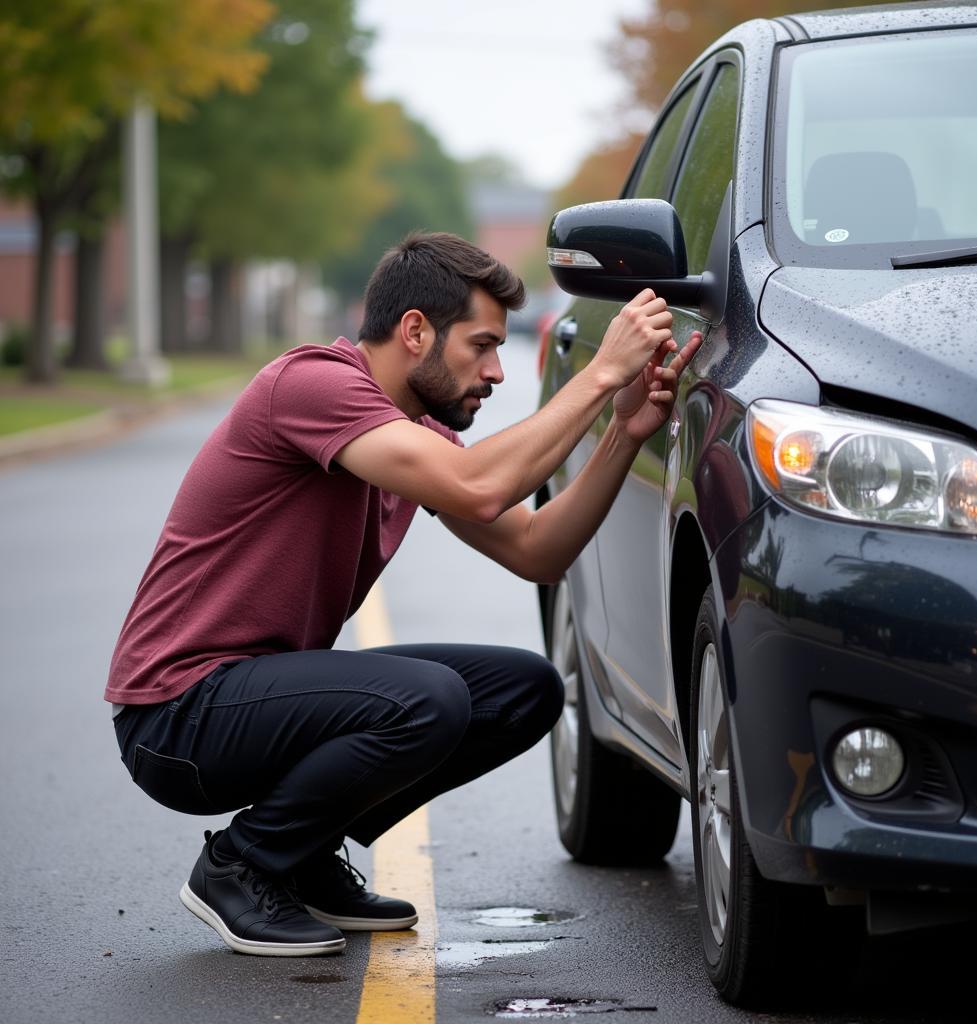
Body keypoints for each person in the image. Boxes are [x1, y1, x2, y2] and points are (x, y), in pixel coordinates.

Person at [106, 232, 702, 957]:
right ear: (415, 329)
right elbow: (480, 489)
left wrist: (621, 432)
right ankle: (241, 866)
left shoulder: (412, 435)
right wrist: (602, 374)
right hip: (177, 717)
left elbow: (536, 550)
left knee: (524, 689)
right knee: (427, 699)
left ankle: (303, 854)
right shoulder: (312, 385)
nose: (495, 372)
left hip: (251, 701)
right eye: (481, 346)